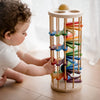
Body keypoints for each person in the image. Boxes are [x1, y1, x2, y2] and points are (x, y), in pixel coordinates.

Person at [0, 0, 55, 87]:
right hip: (2, 63)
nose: (26, 34)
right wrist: (44, 70)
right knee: (13, 75)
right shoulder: (4, 52)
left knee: (19, 77)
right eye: (23, 32)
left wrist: (39, 62)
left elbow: (23, 56)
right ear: (8, 35)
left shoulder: (6, 41)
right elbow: (26, 69)